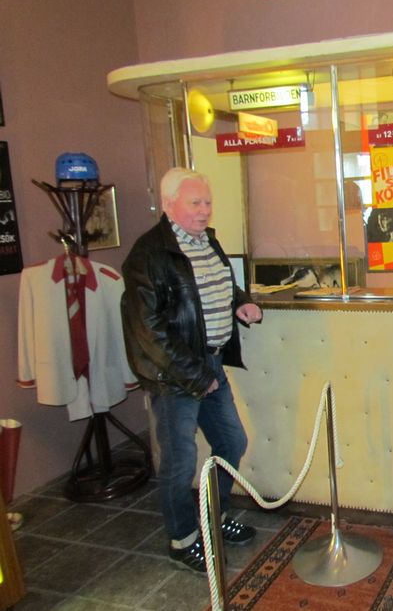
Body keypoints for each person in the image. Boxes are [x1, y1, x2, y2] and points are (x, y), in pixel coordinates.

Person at [121, 167, 263, 573]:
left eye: (207, 203)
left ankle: (214, 517)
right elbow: (149, 330)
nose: (204, 210)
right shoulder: (148, 255)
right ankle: (182, 540)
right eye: (195, 203)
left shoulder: (207, 240)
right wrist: (197, 376)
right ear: (169, 205)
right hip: (174, 376)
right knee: (180, 462)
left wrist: (240, 301)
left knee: (232, 442)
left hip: (211, 363)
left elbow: (219, 286)